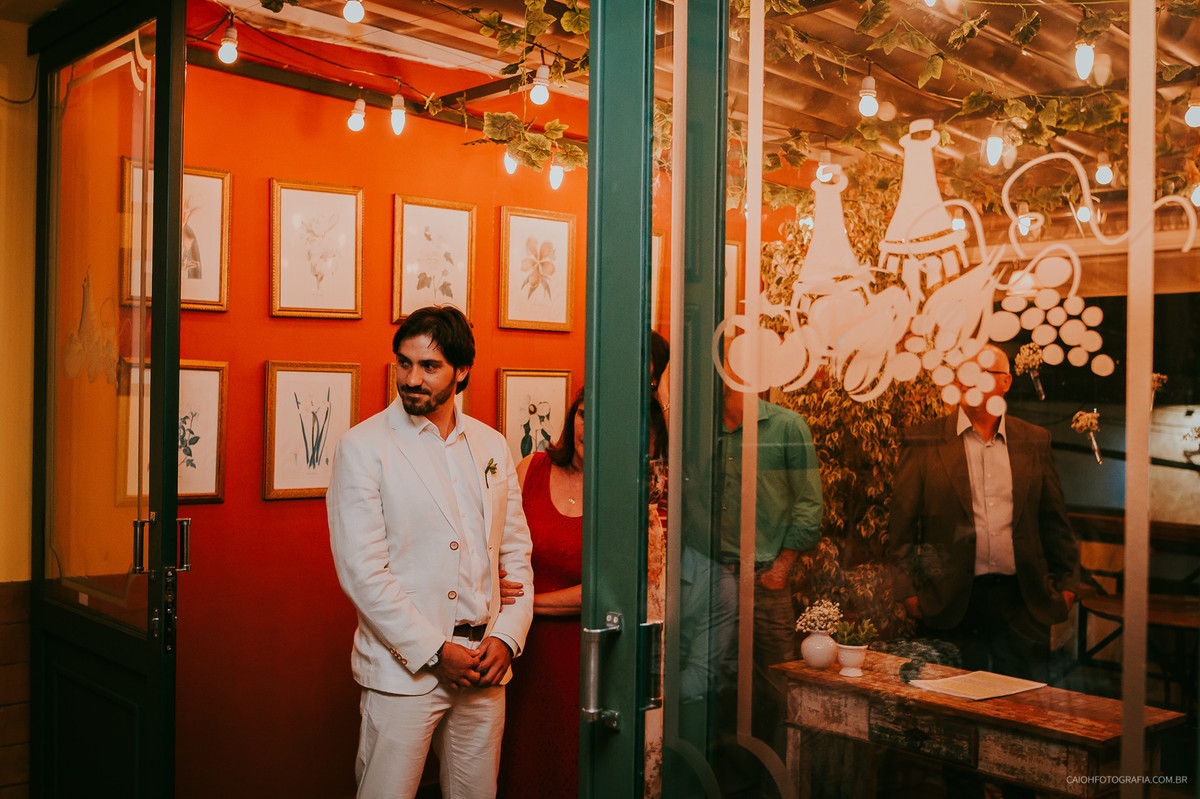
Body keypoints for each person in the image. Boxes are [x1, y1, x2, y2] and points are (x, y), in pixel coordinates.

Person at [327, 305, 535, 799]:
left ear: (462, 370)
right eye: (404, 363)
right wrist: (436, 652)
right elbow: (363, 574)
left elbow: (516, 555)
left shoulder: (491, 444)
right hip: (404, 673)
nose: (411, 378)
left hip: (484, 666)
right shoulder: (363, 447)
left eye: (429, 366)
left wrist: (506, 638)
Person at [888, 342, 1079, 684]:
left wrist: (1068, 584)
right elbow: (901, 524)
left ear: (1006, 382)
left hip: (1022, 598)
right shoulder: (925, 440)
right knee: (951, 696)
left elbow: (1054, 520)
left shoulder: (1033, 440)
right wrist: (907, 589)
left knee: (1021, 699)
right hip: (949, 598)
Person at [716, 386, 824, 755]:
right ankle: (727, 780)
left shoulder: (787, 426)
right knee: (715, 689)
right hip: (712, 577)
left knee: (776, 688)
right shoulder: (701, 430)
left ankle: (775, 779)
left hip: (765, 578)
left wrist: (782, 567)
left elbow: (809, 502)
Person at [497, 389, 585, 798]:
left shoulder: (626, 489)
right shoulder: (531, 467)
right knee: (514, 755)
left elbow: (610, 590)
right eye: (583, 415)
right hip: (518, 644)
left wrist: (526, 603)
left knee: (567, 760)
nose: (589, 428)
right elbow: (495, 544)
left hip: (581, 651)